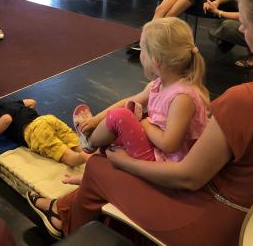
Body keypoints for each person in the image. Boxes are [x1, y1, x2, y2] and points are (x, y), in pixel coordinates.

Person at [27, 0, 253, 245]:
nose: (240, 27)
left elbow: (187, 177)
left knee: (101, 166)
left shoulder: (247, 101)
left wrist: (123, 162)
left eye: (245, 21)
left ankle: (66, 224)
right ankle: (64, 209)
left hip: (211, 223)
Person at [67, 17, 208, 185]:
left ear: (155, 60)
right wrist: (96, 120)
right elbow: (128, 100)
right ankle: (91, 171)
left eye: (142, 49)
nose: (140, 53)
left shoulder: (183, 98)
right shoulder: (158, 84)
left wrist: (144, 123)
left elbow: (169, 145)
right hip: (156, 150)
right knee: (115, 131)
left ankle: (88, 143)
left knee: (121, 117)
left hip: (164, 162)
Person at [0, 97, 90, 168]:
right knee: (71, 140)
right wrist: (24, 115)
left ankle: (77, 158)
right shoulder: (7, 102)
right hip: (46, 119)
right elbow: (32, 102)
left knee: (60, 151)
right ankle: (86, 151)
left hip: (33, 130)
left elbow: (6, 119)